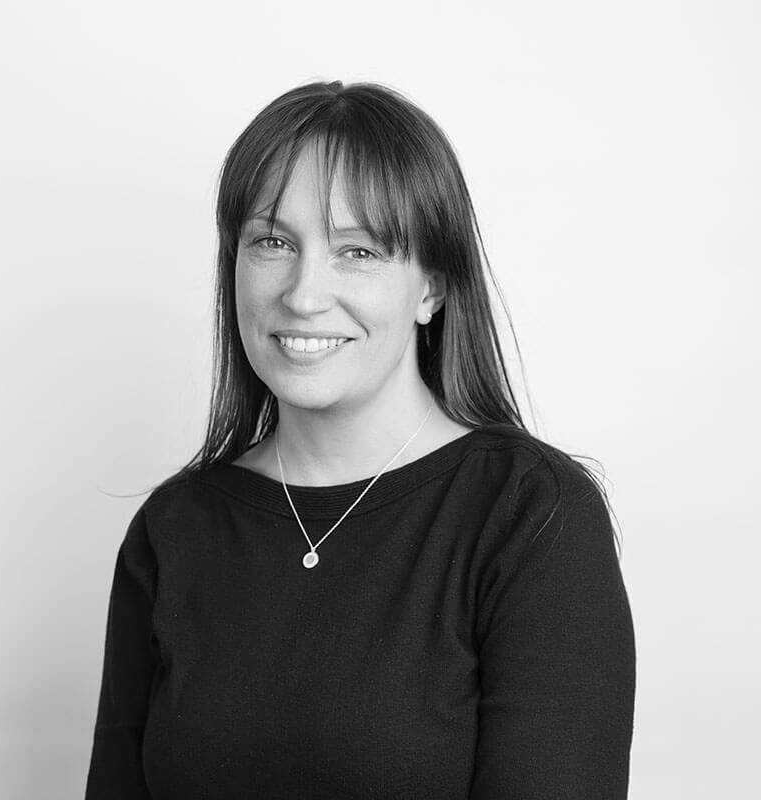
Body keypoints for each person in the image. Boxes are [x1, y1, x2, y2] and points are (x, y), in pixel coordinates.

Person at [84, 80, 636, 799]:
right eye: (273, 242)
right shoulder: (172, 531)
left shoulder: (531, 516)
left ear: (432, 288)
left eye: (359, 251)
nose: (305, 293)